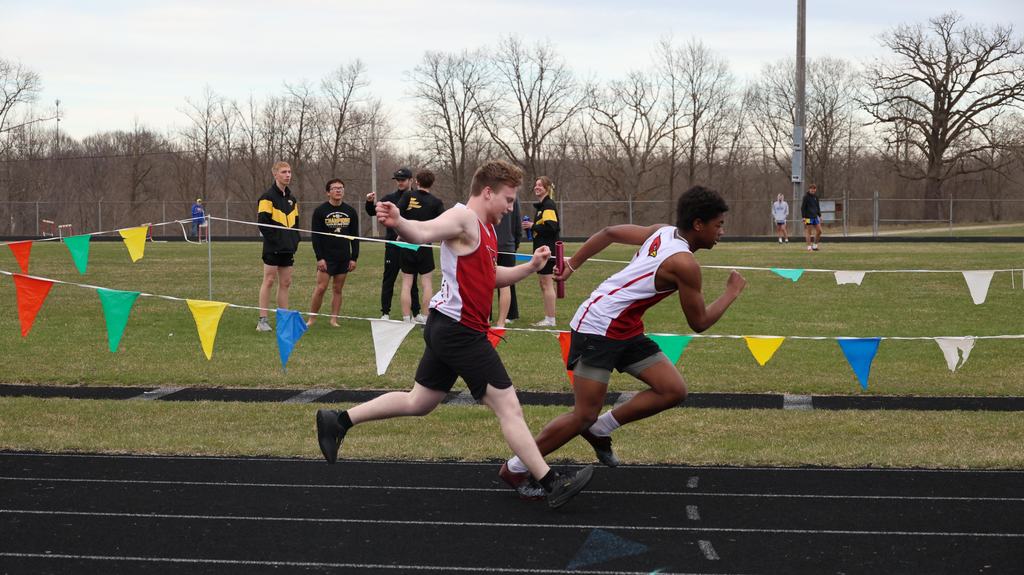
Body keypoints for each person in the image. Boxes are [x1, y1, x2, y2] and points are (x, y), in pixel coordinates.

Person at [316, 160, 594, 509]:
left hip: (448, 327)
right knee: (508, 406)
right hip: (459, 331)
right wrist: (399, 221)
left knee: (419, 402)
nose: (511, 208)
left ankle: (338, 420)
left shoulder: (488, 230)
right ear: (488, 192)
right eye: (507, 199)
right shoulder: (462, 218)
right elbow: (423, 232)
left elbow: (488, 276)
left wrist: (530, 267)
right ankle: (551, 483)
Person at [500, 185, 746, 481]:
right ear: (698, 225)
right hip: (597, 328)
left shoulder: (662, 231)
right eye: (718, 225)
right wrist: (731, 293)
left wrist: (573, 265)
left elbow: (609, 232)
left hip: (625, 328)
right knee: (583, 414)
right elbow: (699, 322)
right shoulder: (685, 264)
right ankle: (515, 468)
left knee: (672, 390)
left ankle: (601, 429)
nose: (722, 231)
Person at [366, 167, 419, 320]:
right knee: (389, 278)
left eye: (403, 180)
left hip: (411, 244)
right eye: (398, 180)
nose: (400, 182)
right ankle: (385, 313)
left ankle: (415, 313)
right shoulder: (390, 198)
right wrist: (370, 203)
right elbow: (372, 211)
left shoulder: (417, 198)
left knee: (412, 281)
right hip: (392, 245)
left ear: (410, 180)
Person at [307, 178, 359, 328]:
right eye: (335, 188)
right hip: (326, 257)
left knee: (337, 289)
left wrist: (353, 257)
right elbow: (315, 237)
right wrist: (320, 258)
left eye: (341, 188)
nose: (338, 190)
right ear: (328, 192)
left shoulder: (350, 211)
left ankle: (334, 319)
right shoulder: (320, 211)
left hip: (343, 257)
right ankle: (311, 319)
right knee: (321, 287)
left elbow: (354, 236)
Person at [256, 161, 300, 332]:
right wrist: (277, 242)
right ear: (275, 174)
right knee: (269, 280)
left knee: (286, 283)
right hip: (273, 248)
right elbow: (263, 224)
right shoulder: (267, 197)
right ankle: (263, 320)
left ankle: (284, 319)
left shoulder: (292, 199)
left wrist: (294, 241)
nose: (287, 175)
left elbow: (296, 224)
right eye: (283, 172)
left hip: (288, 248)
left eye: (289, 171)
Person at [396, 169, 445, 323]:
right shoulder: (436, 202)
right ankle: (425, 318)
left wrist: (401, 233)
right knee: (427, 283)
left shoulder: (407, 195)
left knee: (407, 282)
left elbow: (396, 215)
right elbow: (442, 225)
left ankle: (406, 319)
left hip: (408, 243)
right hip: (424, 244)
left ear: (417, 181)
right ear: (432, 183)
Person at [521, 176, 559, 327]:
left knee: (547, 283)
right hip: (542, 250)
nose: (537, 187)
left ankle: (550, 319)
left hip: (548, 251)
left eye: (540, 186)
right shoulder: (542, 206)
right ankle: (548, 317)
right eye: (536, 185)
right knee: (543, 283)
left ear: (547, 188)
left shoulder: (548, 205)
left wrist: (532, 226)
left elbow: (552, 227)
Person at [494, 193, 523, 328]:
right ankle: (503, 316)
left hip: (502, 244)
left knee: (506, 283)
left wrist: (515, 242)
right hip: (498, 245)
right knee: (505, 282)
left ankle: (508, 315)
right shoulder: (508, 195)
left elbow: (517, 221)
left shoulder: (511, 197)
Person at [801, 184, 822, 251]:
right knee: (809, 232)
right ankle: (809, 247)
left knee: (819, 231)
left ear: (815, 190)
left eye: (814, 189)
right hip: (808, 217)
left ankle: (815, 246)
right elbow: (803, 208)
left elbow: (817, 207)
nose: (813, 190)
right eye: (811, 189)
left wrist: (820, 215)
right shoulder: (806, 197)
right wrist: (803, 217)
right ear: (809, 189)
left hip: (815, 217)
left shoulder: (816, 197)